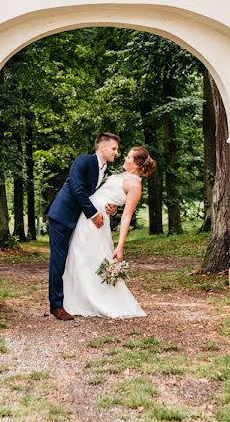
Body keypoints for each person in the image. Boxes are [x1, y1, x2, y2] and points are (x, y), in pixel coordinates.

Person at [62, 146, 155, 319]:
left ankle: (95, 299)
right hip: (90, 214)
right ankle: (78, 299)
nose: (124, 159)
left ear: (137, 164)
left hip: (97, 221)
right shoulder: (122, 176)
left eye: (129, 158)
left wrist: (120, 246)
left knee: (89, 256)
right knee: (79, 253)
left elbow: (126, 217)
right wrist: (111, 206)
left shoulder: (135, 184)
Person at [46, 133, 120, 321]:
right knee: (59, 260)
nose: (116, 153)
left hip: (79, 222)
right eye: (114, 148)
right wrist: (94, 214)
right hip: (62, 217)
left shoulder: (106, 172)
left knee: (75, 260)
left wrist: (109, 207)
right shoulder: (83, 161)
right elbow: (77, 189)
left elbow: (98, 196)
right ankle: (56, 305)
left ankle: (74, 301)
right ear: (102, 147)